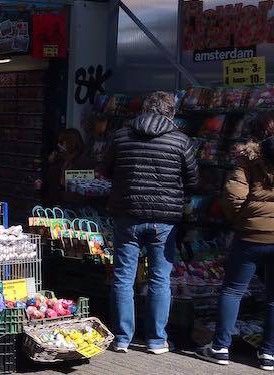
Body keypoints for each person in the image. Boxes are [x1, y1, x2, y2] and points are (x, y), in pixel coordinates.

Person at [104, 91, 198, 354]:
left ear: (143, 109)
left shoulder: (121, 136)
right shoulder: (181, 140)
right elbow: (192, 180)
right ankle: (156, 340)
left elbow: (106, 170)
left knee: (124, 277)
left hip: (127, 214)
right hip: (164, 219)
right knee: (160, 278)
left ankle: (122, 337)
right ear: (171, 113)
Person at [196, 111, 274, 371]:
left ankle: (220, 347)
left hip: (250, 237)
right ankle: (268, 355)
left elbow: (233, 196)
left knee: (232, 290)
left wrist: (244, 220)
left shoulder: (247, 159)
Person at [45, 128, 95, 202]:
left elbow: (86, 188)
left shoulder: (83, 161)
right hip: (58, 202)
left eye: (62, 142)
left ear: (70, 143)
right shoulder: (61, 159)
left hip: (74, 203)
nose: (58, 145)